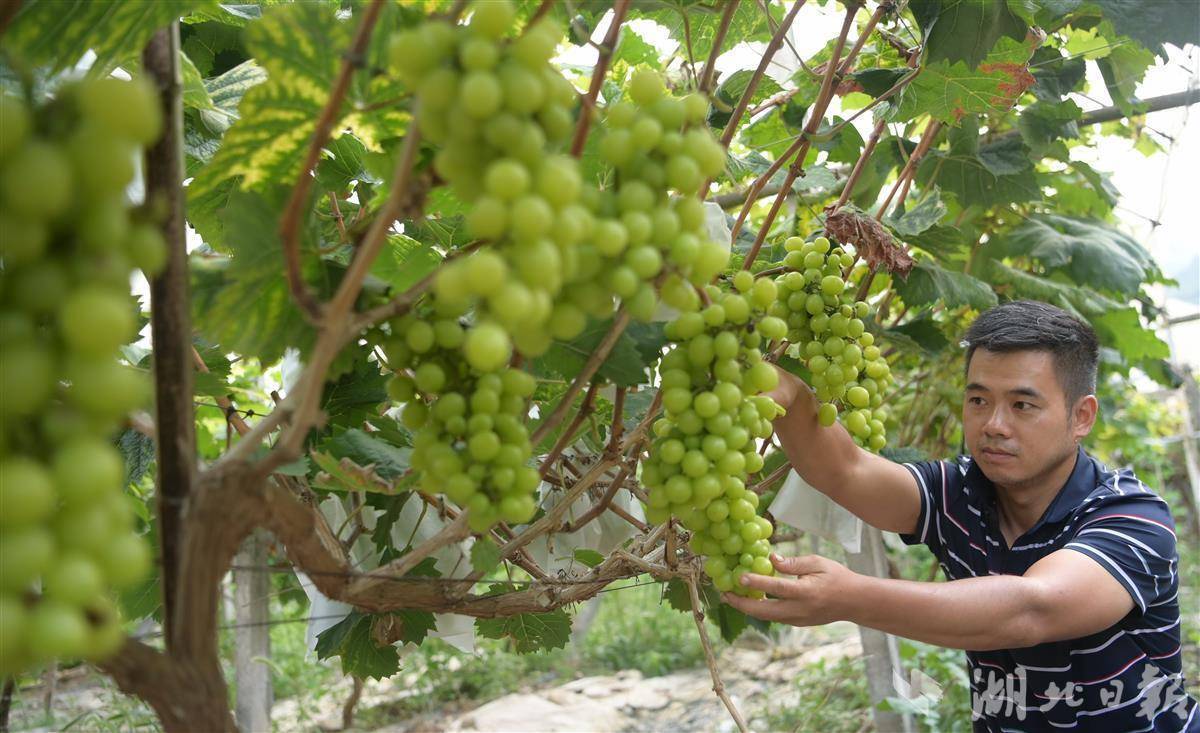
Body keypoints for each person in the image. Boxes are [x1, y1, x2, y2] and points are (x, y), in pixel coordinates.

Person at [724, 300, 1197, 731]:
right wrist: (786, 393)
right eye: (978, 400)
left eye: (1022, 404)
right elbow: (847, 471)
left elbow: (1032, 609)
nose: (993, 424)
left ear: (1081, 417)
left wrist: (850, 598)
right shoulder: (959, 494)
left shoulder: (1131, 515)